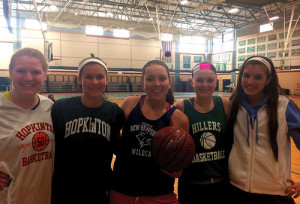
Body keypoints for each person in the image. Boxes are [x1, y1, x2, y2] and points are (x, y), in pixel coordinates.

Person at [111, 60, 189, 204]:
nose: (157, 84)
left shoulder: (179, 119)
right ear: (142, 83)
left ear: (169, 82)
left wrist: (178, 166)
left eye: (162, 78)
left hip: (160, 194)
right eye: (150, 79)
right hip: (122, 190)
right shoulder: (130, 104)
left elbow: (181, 160)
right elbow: (112, 139)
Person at [51, 55, 124, 204]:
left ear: (107, 79)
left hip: (99, 190)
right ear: (79, 79)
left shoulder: (114, 111)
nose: (95, 82)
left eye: (99, 77)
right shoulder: (60, 107)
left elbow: (120, 149)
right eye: (88, 77)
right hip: (64, 189)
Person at [228, 56, 300, 204]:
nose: (249, 82)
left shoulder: (285, 107)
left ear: (268, 80)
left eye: (258, 77)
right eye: (246, 75)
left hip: (275, 193)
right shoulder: (231, 105)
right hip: (236, 190)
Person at [0, 47, 54, 203]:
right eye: (21, 71)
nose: (28, 78)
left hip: (45, 197)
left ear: (44, 76)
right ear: (10, 73)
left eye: (36, 72)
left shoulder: (50, 107)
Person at [175, 62, 231, 204]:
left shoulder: (225, 105)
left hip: (221, 184)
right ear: (192, 82)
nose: (204, 84)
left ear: (216, 82)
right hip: (191, 185)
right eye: (199, 80)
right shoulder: (182, 107)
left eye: (210, 80)